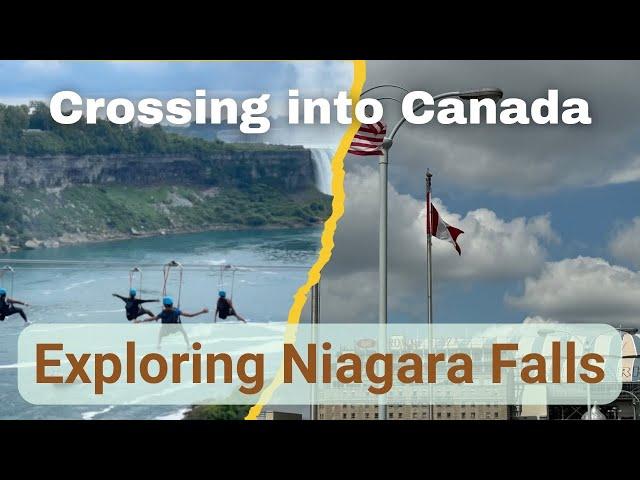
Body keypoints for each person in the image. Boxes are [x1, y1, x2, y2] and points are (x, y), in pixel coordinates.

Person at [136, 296, 208, 348]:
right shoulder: (177, 311)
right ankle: (188, 345)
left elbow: (152, 319)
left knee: (160, 333)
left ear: (164, 305)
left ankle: (158, 345)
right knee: (184, 333)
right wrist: (202, 311)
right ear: (172, 304)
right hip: (176, 328)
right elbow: (190, 315)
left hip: (167, 330)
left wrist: (141, 321)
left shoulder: (163, 313)